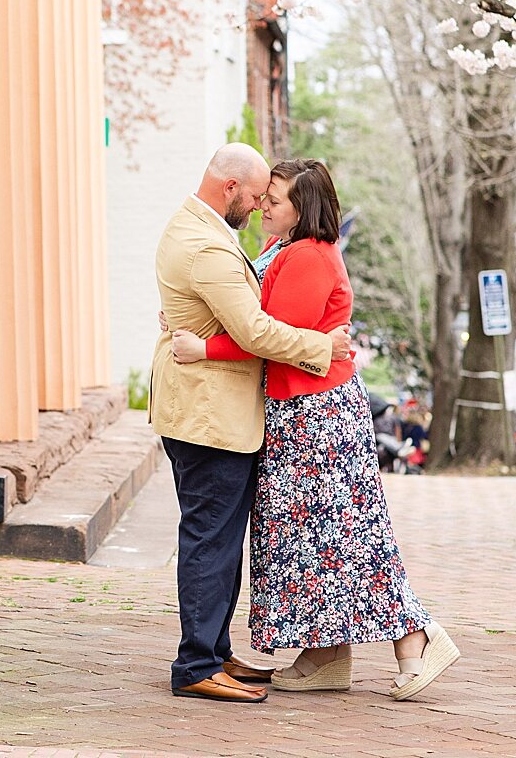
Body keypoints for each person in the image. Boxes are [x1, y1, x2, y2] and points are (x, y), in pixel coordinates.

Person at [170, 158, 458, 701]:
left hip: (316, 417)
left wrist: (201, 346)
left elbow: (268, 334)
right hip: (300, 411)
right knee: (310, 544)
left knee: (344, 540)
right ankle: (324, 655)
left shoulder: (305, 257)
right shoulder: (282, 251)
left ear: (302, 211)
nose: (263, 207)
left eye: (274, 200)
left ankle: (417, 637)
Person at [150, 144, 352, 704]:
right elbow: (257, 332)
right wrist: (323, 344)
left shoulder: (192, 228)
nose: (261, 204)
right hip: (209, 416)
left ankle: (213, 651)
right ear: (232, 189)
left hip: (205, 409)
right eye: (258, 194)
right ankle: (195, 664)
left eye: (273, 198)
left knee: (215, 536)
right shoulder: (208, 247)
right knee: (210, 539)